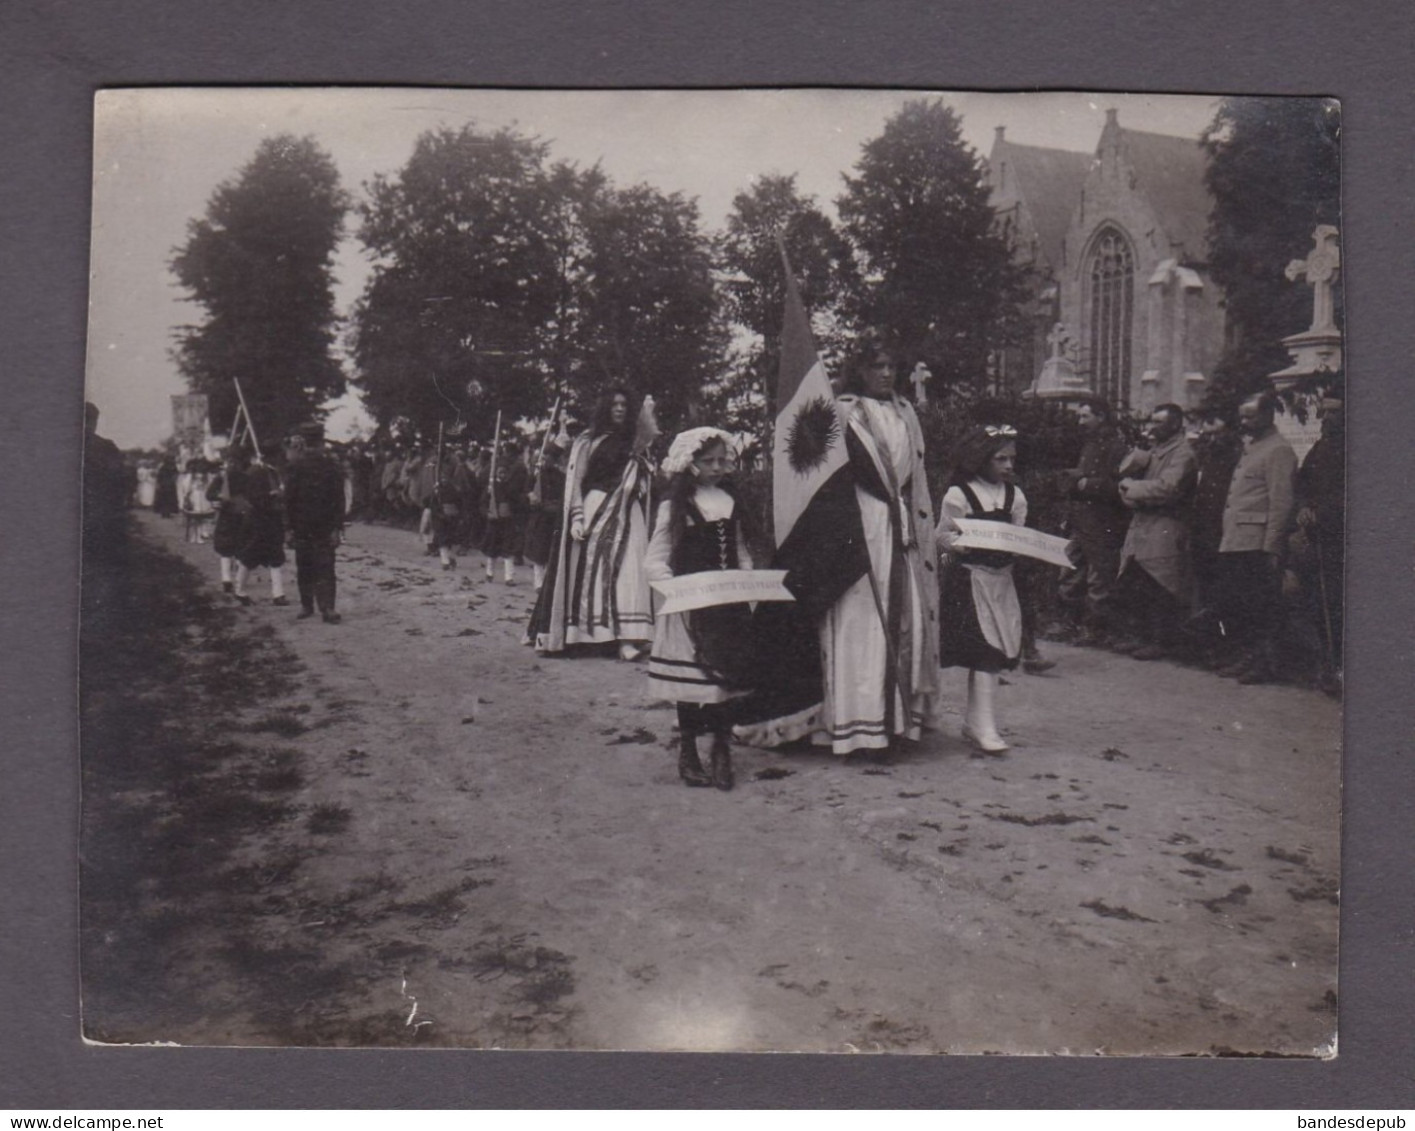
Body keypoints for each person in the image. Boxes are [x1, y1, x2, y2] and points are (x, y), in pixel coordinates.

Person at [736, 343, 940, 758]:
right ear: (859, 370)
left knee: (904, 620)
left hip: (898, 526)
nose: (886, 373)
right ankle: (856, 725)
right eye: (877, 365)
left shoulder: (907, 414)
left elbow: (914, 479)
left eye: (891, 365)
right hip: (856, 525)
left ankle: (895, 721)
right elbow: (819, 475)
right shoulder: (843, 412)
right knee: (858, 620)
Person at [645, 428, 759, 790]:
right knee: (692, 682)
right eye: (707, 461)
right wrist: (673, 590)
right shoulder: (674, 506)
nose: (716, 468)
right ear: (688, 463)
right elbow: (655, 558)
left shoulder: (730, 500)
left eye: (721, 461)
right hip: (691, 605)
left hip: (728, 603)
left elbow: (740, 550)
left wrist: (749, 584)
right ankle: (689, 751)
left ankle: (721, 748)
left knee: (726, 678)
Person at [532, 389, 655, 659]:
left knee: (630, 569)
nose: (620, 409)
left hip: (628, 512)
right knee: (597, 572)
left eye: (624, 404)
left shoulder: (635, 442)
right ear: (605, 408)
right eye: (614, 404)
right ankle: (596, 635)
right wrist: (577, 516)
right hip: (597, 509)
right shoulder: (589, 441)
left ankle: (630, 635)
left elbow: (644, 467)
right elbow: (576, 482)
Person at [936, 426, 1026, 754]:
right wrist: (959, 544)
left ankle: (975, 722)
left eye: (1011, 459)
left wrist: (1019, 548)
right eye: (999, 458)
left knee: (997, 650)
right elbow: (942, 535)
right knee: (984, 650)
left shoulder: (1016, 496)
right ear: (980, 459)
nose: (1007, 465)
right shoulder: (959, 495)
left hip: (1003, 581)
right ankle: (984, 726)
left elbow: (1019, 535)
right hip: (971, 580)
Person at [1217, 391, 1298, 683]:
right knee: (1241, 604)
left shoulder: (1278, 450)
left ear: (1268, 416)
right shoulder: (1253, 447)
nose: (1244, 421)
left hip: (1257, 543)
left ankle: (1263, 664)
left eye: (1250, 416)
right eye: (1242, 416)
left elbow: (1281, 503)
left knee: (1260, 607)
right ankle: (1247, 658)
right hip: (1237, 539)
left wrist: (1272, 547)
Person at [1115, 403, 1198, 661]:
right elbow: (1124, 476)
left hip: (1166, 525)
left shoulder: (1183, 453)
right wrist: (1131, 487)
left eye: (1158, 422)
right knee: (1141, 580)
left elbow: (1168, 488)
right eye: (1151, 421)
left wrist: (1132, 489)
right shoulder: (1155, 450)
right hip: (1145, 522)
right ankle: (1143, 636)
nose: (1152, 427)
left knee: (1162, 584)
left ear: (1175, 424)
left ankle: (1162, 641)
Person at [1058, 398, 1129, 646]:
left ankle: (1094, 630)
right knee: (1069, 572)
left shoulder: (1117, 447)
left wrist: (1087, 484)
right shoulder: (1088, 445)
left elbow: (1121, 486)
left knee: (1098, 580)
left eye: (1085, 417)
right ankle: (1070, 624)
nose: (1080, 422)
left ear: (1101, 417)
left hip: (1103, 523)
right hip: (1080, 522)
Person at [1293, 393, 1344, 693]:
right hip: (1320, 539)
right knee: (1318, 602)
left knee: (1340, 605)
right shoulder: (1320, 448)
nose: (1325, 419)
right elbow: (1301, 484)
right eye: (1322, 414)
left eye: (1332, 414)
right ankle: (1328, 665)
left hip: (1341, 538)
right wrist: (1303, 507)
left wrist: (1324, 513)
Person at [283, 422, 346, 624]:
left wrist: (289, 528)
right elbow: (339, 499)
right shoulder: (330, 465)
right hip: (320, 525)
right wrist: (337, 527)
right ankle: (324, 607)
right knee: (324, 566)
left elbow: (288, 500)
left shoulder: (298, 466)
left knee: (306, 565)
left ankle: (310, 605)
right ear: (321, 441)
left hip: (307, 525)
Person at [233, 454, 288, 606]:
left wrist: (280, 496)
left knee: (276, 554)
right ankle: (239, 590)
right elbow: (251, 496)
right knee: (251, 554)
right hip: (258, 519)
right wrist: (271, 495)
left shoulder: (275, 472)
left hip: (273, 518)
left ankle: (278, 594)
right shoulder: (255, 472)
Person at [523, 430, 571, 592]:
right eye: (544, 457)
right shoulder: (535, 475)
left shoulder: (561, 477)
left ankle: (550, 582)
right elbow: (525, 491)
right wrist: (530, 494)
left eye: (549, 457)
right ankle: (538, 582)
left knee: (553, 549)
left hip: (555, 516)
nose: (545, 460)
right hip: (540, 516)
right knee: (539, 550)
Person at [482, 439, 530, 584]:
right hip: (495, 517)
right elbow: (483, 501)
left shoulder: (513, 480)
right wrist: (487, 510)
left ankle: (508, 576)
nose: (502, 474)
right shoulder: (491, 485)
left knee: (508, 547)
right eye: (500, 472)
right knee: (493, 546)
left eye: (504, 472)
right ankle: (490, 572)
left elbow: (517, 497)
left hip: (509, 516)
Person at [207, 446, 251, 594]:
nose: (232, 463)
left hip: (229, 514)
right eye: (230, 460)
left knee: (227, 547)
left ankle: (227, 579)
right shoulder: (244, 477)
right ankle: (233, 580)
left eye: (233, 460)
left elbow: (209, 494)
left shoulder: (222, 476)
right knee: (238, 545)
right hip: (239, 515)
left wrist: (218, 498)